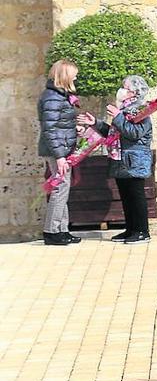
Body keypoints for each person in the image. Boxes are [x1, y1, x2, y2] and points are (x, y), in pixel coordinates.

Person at [79, 76, 155, 244]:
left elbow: (134, 133)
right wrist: (96, 123)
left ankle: (142, 231)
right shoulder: (123, 110)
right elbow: (114, 134)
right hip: (120, 159)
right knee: (126, 196)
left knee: (136, 195)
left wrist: (118, 116)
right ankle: (131, 229)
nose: (121, 90)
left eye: (125, 88)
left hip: (133, 160)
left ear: (134, 92)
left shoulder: (141, 110)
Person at [38, 59, 82, 246]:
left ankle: (62, 230)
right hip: (58, 151)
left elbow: (60, 124)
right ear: (65, 76)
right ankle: (52, 231)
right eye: (74, 74)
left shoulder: (59, 96)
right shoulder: (52, 98)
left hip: (63, 148)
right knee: (59, 189)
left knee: (62, 189)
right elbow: (50, 129)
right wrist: (60, 156)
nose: (76, 77)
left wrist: (75, 128)